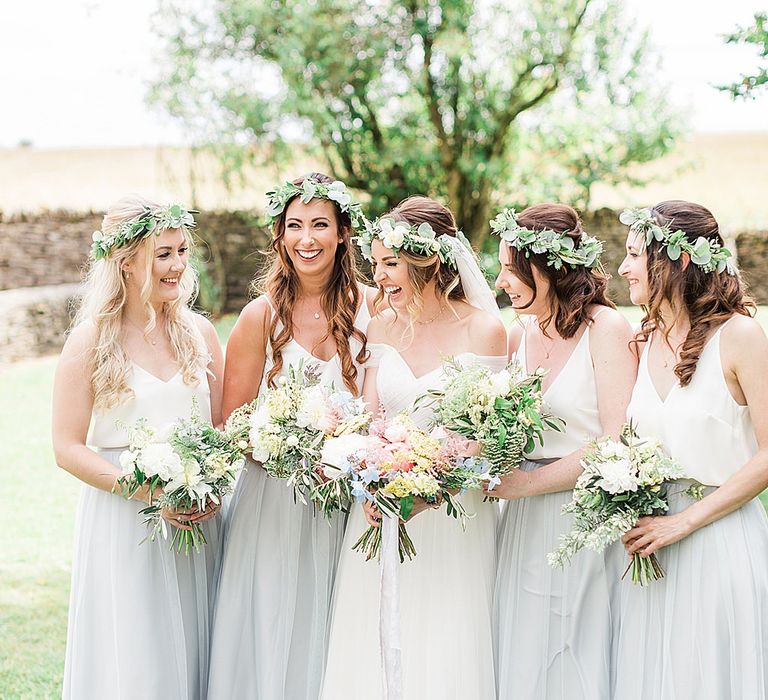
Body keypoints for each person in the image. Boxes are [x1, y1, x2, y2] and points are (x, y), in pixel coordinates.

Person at [320, 196, 507, 700]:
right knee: (375, 639)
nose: (378, 277)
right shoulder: (381, 325)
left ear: (427, 261)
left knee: (447, 639)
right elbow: (372, 416)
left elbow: (487, 439)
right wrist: (369, 472)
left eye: (389, 264)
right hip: (382, 506)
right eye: (375, 263)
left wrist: (426, 490)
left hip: (450, 512)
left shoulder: (483, 329)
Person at [207, 173, 375, 699]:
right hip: (272, 502)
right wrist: (293, 453)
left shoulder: (376, 309)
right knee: (271, 621)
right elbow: (232, 421)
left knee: (337, 624)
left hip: (348, 501)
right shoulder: (259, 317)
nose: (307, 238)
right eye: (295, 226)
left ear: (343, 233)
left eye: (320, 225)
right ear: (280, 235)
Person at [53, 196, 224, 699]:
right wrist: (148, 493)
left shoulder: (201, 333)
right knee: (137, 654)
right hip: (125, 521)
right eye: (162, 254)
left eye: (182, 252)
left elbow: (218, 429)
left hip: (198, 518)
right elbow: (66, 447)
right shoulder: (91, 340)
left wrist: (210, 482)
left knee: (198, 646)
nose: (177, 266)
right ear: (126, 261)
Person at [614, 200, 768, 698]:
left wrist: (686, 520)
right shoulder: (647, 337)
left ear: (677, 261)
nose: (622, 266)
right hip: (651, 547)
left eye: (635, 254)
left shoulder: (740, 336)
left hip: (718, 540)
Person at [490, 204, 637, 699]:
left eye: (511, 268)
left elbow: (614, 440)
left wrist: (526, 484)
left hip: (582, 516)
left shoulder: (606, 329)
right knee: (523, 644)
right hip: (520, 523)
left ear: (547, 268)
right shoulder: (520, 334)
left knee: (576, 644)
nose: (501, 280)